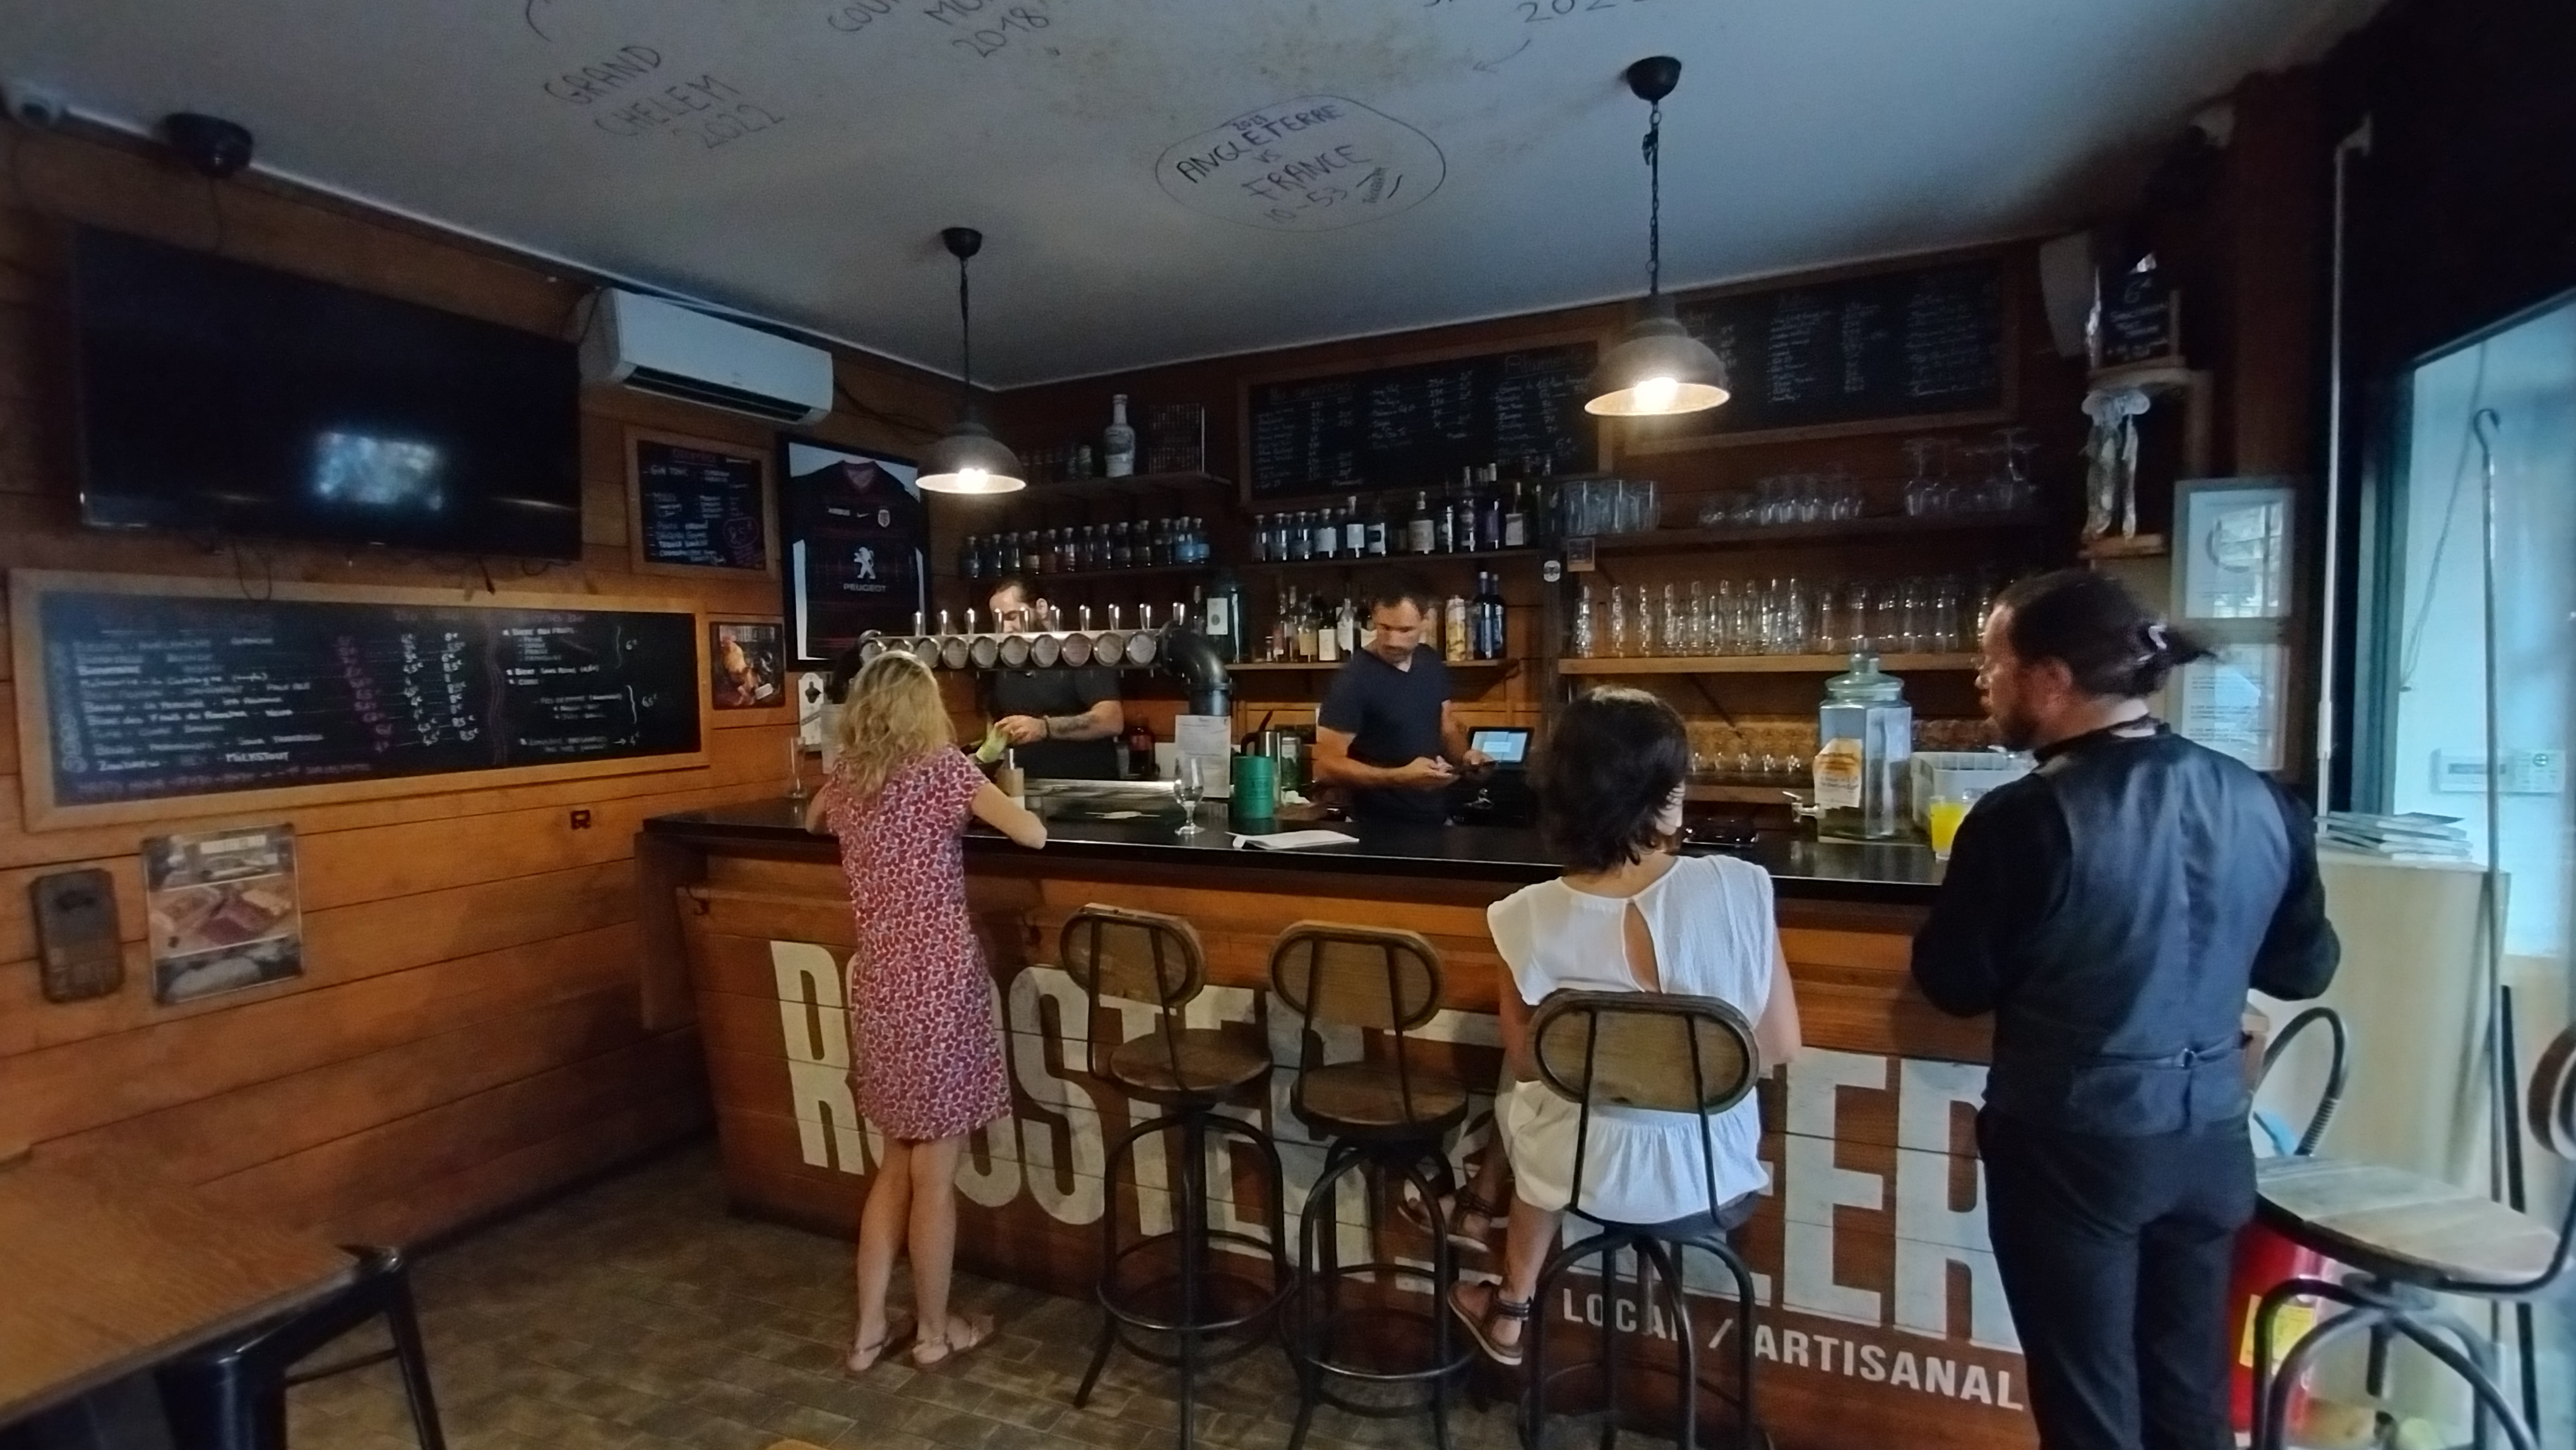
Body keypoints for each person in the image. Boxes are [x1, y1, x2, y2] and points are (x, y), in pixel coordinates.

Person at [1911, 570, 2339, 1450]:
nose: (1982, 683)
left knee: (2089, 1406)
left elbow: (1956, 984)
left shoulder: (2024, 818)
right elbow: (2304, 968)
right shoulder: (2263, 798)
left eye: (1993, 664)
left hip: (2073, 1142)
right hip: (2212, 1138)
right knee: (2189, 1397)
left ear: (2051, 678)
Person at [1448, 687, 1802, 1364]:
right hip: (1710, 1171)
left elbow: (1528, 1064)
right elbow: (1780, 1045)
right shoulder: (1740, 888)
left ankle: (1511, 1298)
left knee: (1526, 1104)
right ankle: (1508, 1290)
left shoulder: (1520, 917)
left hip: (1582, 1169)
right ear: (1666, 796)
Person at [804, 650, 1047, 1372]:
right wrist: (983, 784)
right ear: (923, 709)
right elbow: (1032, 834)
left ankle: (867, 1333)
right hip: (940, 991)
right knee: (934, 1179)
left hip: (881, 989)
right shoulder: (943, 773)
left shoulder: (848, 780)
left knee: (894, 1167)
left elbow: (814, 820)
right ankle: (937, 1333)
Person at [1311, 575, 1489, 825]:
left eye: (1405, 630)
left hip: (1437, 820)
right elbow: (1326, 766)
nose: (1393, 641)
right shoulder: (1354, 679)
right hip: (1377, 828)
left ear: (1427, 621)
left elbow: (1447, 727)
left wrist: (1467, 759)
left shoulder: (1429, 661)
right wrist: (1400, 777)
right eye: (1385, 628)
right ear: (1373, 618)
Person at [984, 575, 1125, 780]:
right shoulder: (1002, 664)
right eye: (998, 621)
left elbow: (1111, 720)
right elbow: (994, 725)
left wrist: (1044, 728)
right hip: (1025, 788)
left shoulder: (1079, 652)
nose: (1005, 629)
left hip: (1086, 789)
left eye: (1012, 616)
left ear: (1041, 608)